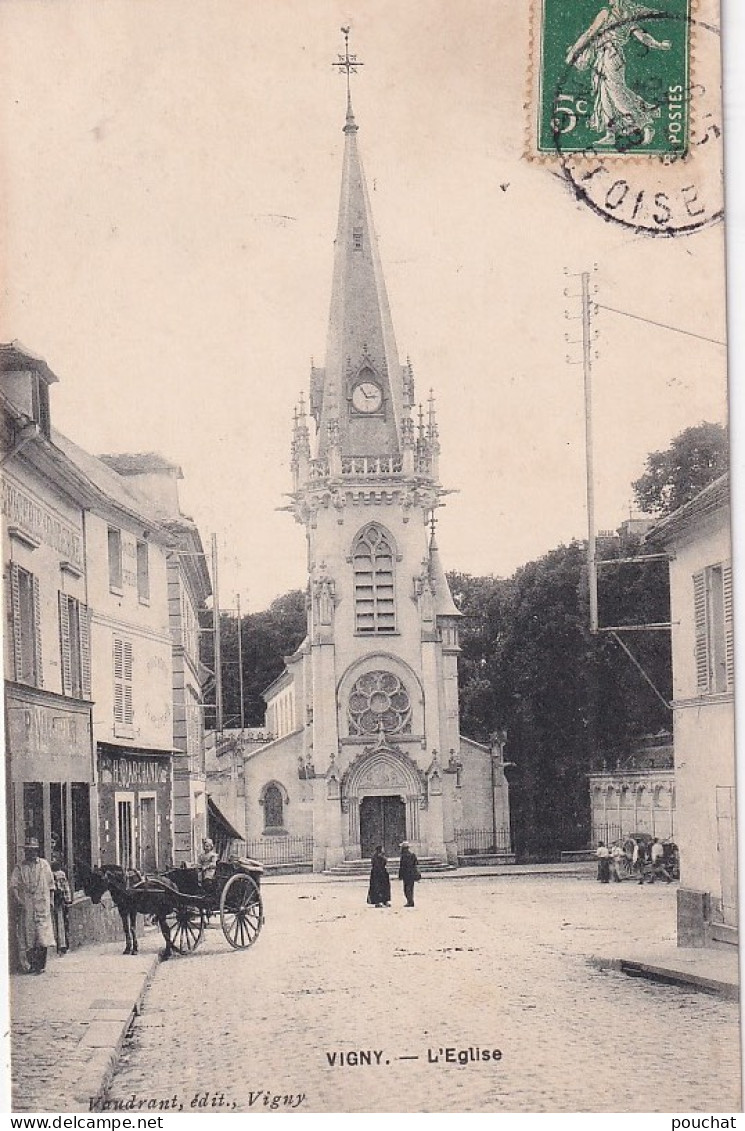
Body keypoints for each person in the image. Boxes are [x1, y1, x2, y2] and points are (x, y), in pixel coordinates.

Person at [566, 0, 671, 147]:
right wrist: (659, 45)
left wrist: (573, 52)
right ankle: (611, 133)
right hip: (613, 57)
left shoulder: (606, 13)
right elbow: (643, 37)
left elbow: (590, 33)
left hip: (609, 56)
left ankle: (645, 124)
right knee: (605, 95)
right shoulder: (628, 16)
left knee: (616, 94)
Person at [10, 837, 56, 974]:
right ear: (26, 852)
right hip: (28, 906)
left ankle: (41, 965)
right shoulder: (20, 867)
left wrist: (51, 901)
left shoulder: (44, 865)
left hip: (42, 904)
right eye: (29, 851)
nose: (31, 853)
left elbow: (51, 885)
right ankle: (32, 965)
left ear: (37, 851)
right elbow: (13, 886)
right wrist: (19, 901)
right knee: (28, 934)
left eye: (34, 851)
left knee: (42, 935)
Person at [50, 834, 72, 955]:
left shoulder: (58, 856)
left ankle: (62, 945)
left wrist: (67, 898)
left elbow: (64, 882)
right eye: (50, 842)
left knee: (60, 919)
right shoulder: (45, 854)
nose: (52, 845)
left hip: (58, 895)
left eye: (53, 842)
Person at [398, 841, 420, 908]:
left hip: (406, 874)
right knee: (411, 887)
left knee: (406, 888)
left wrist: (400, 875)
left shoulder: (403, 856)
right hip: (412, 873)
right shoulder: (412, 855)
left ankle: (410, 901)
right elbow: (416, 863)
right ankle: (411, 901)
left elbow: (401, 866)